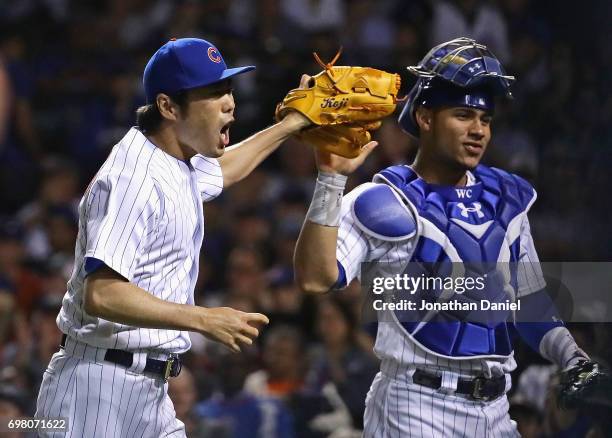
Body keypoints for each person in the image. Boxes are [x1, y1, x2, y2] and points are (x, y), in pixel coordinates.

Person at [292, 37, 589, 436]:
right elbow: (315, 278)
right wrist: (330, 179)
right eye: (463, 115)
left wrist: (573, 358)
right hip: (415, 406)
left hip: (496, 409)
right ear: (425, 117)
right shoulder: (382, 199)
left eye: (485, 119)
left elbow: (531, 300)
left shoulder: (507, 199)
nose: (478, 130)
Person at [34, 37, 309, 437]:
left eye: (228, 88)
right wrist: (202, 318)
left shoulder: (174, 158)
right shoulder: (133, 178)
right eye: (214, 93)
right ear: (168, 106)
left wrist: (291, 125)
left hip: (146, 390)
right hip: (96, 390)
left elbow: (225, 170)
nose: (229, 102)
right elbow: (103, 293)